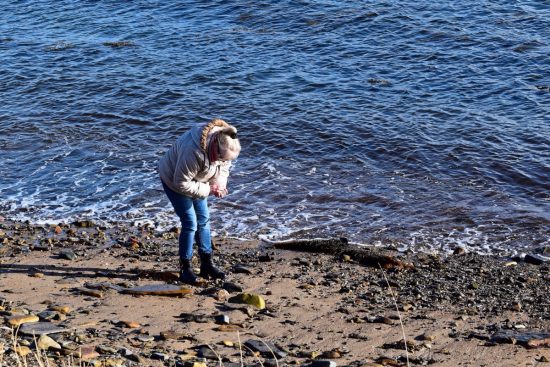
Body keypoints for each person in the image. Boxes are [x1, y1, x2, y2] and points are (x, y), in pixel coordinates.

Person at [158, 118, 241, 284]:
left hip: (198, 181)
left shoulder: (226, 147)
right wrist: (209, 189)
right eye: (223, 158)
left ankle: (206, 264)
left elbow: (223, 169)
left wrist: (219, 185)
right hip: (174, 181)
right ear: (215, 148)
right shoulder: (193, 151)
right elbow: (180, 183)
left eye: (228, 160)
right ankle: (185, 268)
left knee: (203, 220)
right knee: (190, 223)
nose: (225, 162)